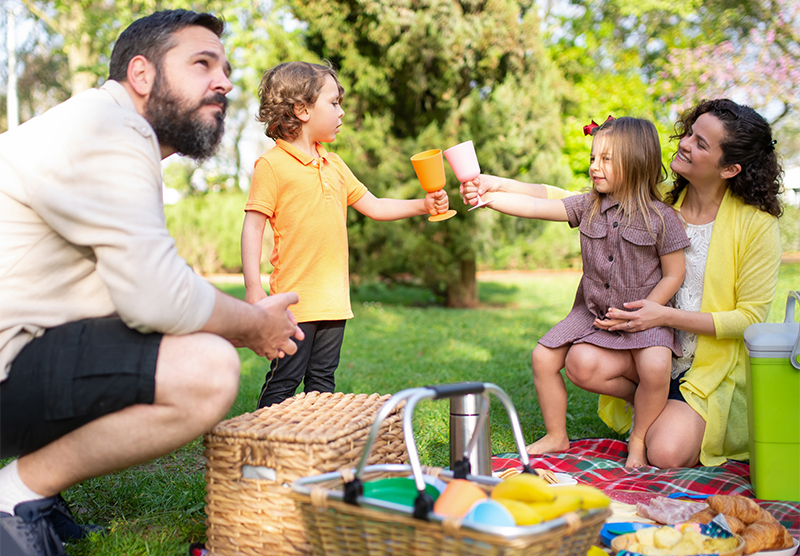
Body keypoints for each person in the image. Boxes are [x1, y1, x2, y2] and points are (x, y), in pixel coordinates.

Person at [0, 10, 303, 556]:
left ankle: (39, 487)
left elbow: (132, 286)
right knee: (207, 368)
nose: (224, 82)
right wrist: (252, 325)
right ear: (141, 74)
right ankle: (14, 501)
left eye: (227, 69)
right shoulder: (109, 132)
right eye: (201, 63)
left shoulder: (102, 128)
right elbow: (157, 295)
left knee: (159, 335)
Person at [463, 100, 784, 470]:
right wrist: (498, 186)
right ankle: (655, 404)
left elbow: (749, 319)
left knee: (664, 453)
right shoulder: (658, 201)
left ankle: (670, 419)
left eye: (701, 143)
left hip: (705, 367)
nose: (684, 143)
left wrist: (661, 315)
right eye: (691, 133)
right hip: (643, 345)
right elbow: (570, 200)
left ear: (729, 168)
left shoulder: (756, 225)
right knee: (580, 363)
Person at [461, 117, 690, 468]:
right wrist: (489, 198)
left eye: (606, 159)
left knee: (656, 367)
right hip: (593, 310)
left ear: (638, 162)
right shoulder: (589, 206)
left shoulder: (662, 218)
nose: (593, 167)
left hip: (644, 314)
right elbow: (537, 207)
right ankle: (557, 435)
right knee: (543, 357)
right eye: (593, 157)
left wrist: (648, 311)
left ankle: (640, 441)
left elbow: (674, 274)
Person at [241, 61, 449, 408]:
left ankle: (318, 450)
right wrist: (253, 287)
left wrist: (423, 205)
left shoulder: (334, 164)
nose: (341, 112)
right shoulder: (273, 165)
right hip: (295, 302)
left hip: (334, 299)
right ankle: (261, 448)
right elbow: (253, 224)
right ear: (302, 109)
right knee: (286, 379)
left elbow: (376, 206)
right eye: (334, 103)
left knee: (323, 381)